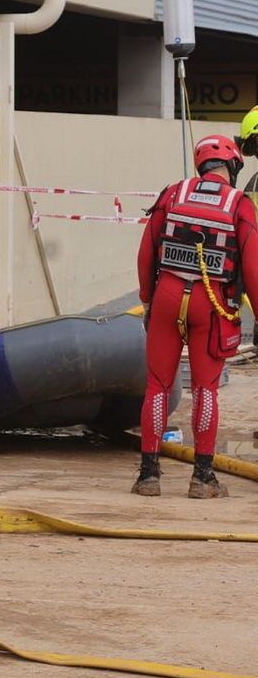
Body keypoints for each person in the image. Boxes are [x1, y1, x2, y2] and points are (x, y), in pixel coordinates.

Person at [134, 135, 258, 498]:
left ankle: (148, 476)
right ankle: (203, 479)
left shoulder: (173, 194)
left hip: (167, 296)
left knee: (157, 386)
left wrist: (148, 301)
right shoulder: (239, 204)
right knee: (206, 389)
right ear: (232, 166)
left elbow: (146, 254)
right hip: (214, 304)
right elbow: (253, 269)